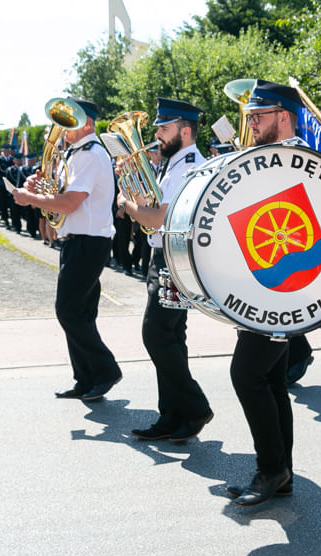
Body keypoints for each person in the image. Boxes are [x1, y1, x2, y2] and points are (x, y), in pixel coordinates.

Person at [223, 80, 307, 506]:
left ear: (284, 117)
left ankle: (271, 469)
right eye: (250, 117)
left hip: (284, 290)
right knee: (271, 380)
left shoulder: (300, 164)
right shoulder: (266, 162)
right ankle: (282, 473)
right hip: (260, 288)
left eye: (258, 116)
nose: (250, 123)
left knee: (247, 374)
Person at [13, 96, 122, 401]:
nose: (64, 128)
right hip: (81, 240)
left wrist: (30, 198)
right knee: (81, 313)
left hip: (88, 241)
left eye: (71, 121)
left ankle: (105, 371)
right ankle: (86, 379)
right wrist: (38, 188)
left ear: (88, 123)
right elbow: (60, 196)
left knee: (69, 311)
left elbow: (70, 203)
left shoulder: (89, 154)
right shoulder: (76, 153)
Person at [118, 98, 214, 443]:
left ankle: (194, 406)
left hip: (173, 260)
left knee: (156, 335)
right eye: (158, 127)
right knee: (172, 337)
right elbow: (154, 205)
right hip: (165, 257)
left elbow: (157, 217)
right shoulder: (174, 163)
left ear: (185, 131)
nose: (157, 134)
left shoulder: (189, 167)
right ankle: (172, 415)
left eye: (164, 128)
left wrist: (126, 204)